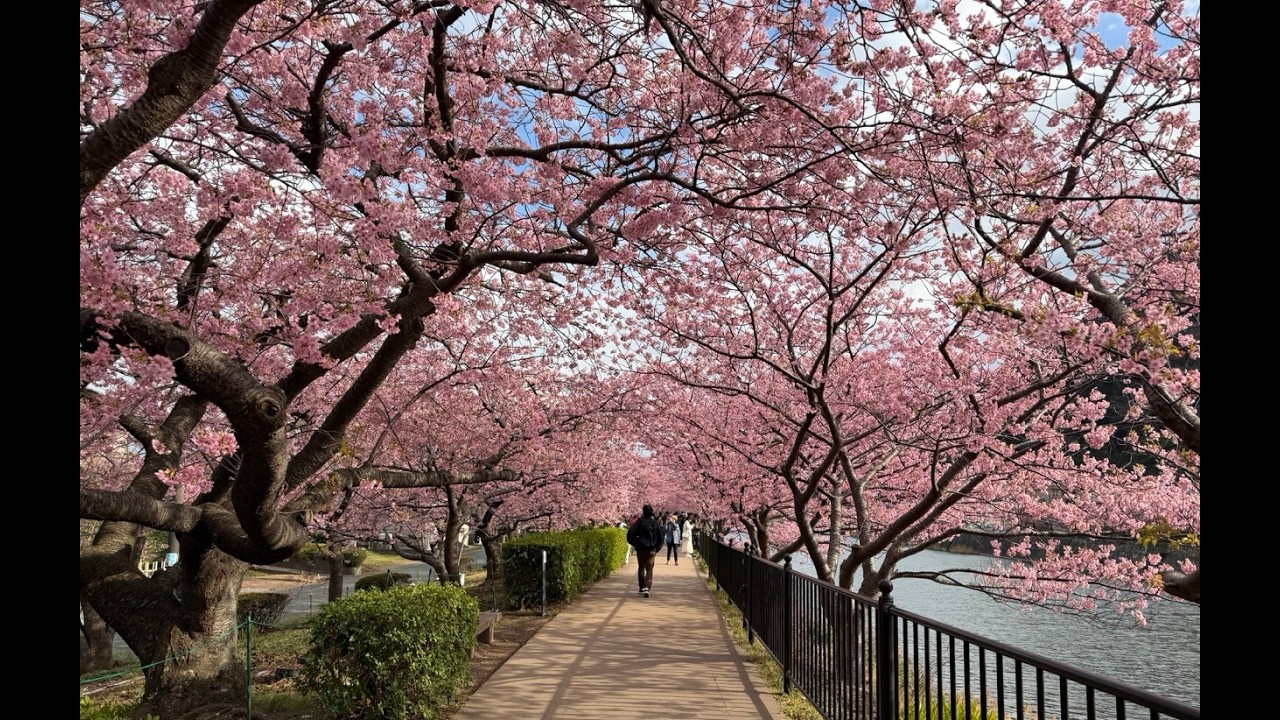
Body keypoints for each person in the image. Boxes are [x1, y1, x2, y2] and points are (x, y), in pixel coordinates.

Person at [626, 504, 664, 597]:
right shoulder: (654, 523)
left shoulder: (639, 522)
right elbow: (660, 536)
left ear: (643, 512)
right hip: (651, 550)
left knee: (641, 567)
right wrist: (657, 548)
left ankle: (642, 587)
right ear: (652, 512)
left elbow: (630, 533)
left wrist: (635, 543)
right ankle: (647, 587)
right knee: (649, 569)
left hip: (641, 549)